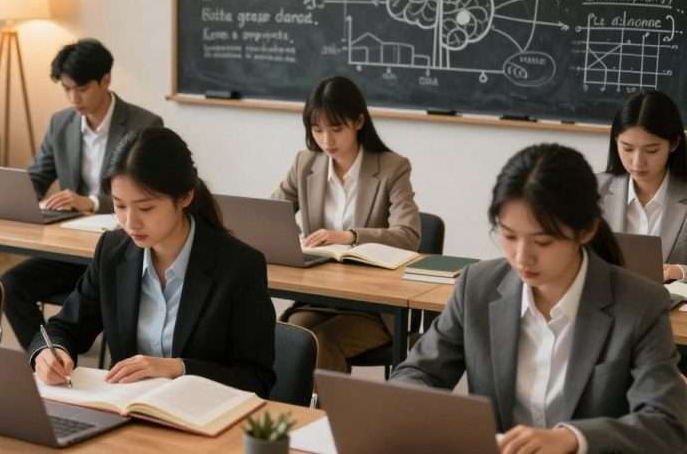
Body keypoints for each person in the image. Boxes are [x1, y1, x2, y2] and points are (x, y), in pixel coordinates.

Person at [392, 143, 687, 454]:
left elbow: (666, 425)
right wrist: (442, 420)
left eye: (542, 241)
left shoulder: (640, 305)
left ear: (585, 231)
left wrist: (574, 439)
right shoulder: (477, 286)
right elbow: (416, 373)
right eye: (508, 236)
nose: (521, 258)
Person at [28, 127, 275, 397]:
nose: (130, 223)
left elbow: (256, 380)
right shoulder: (112, 252)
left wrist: (179, 369)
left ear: (185, 197)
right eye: (120, 206)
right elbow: (63, 328)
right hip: (127, 411)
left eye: (146, 208)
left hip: (202, 419)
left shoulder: (239, 266)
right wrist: (50, 352)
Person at [2, 38, 163, 349]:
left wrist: (90, 203)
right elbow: (38, 175)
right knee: (10, 286)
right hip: (69, 247)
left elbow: (148, 192)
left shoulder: (144, 125)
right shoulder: (60, 123)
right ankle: (45, 355)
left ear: (106, 80)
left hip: (120, 247)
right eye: (66, 89)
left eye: (82, 88)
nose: (74, 98)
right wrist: (17, 197)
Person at [272, 76, 420, 371]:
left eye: (336, 129)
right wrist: (291, 237)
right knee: (290, 336)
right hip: (317, 298)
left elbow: (408, 235)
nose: (326, 141)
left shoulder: (392, 167)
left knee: (323, 340)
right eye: (317, 130)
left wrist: (349, 236)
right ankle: (290, 415)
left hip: (374, 307)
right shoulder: (305, 164)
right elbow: (272, 214)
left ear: (359, 122)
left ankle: (328, 417)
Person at [598, 90, 687, 281]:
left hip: (671, 307)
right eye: (627, 148)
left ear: (674, 144)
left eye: (651, 150)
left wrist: (679, 271)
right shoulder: (593, 190)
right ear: (616, 141)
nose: (637, 162)